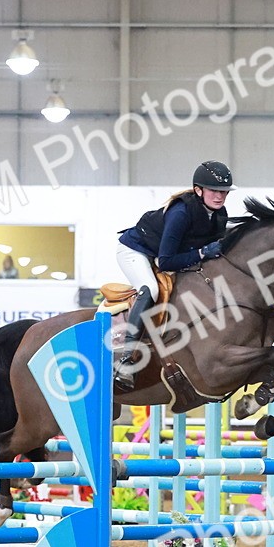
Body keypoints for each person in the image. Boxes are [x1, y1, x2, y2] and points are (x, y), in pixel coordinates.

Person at [113, 160, 234, 391]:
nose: (220, 196)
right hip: (136, 251)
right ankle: (126, 360)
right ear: (198, 190)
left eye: (224, 192)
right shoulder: (181, 212)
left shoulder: (220, 215)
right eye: (214, 191)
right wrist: (201, 253)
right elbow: (166, 261)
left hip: (166, 255)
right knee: (151, 288)